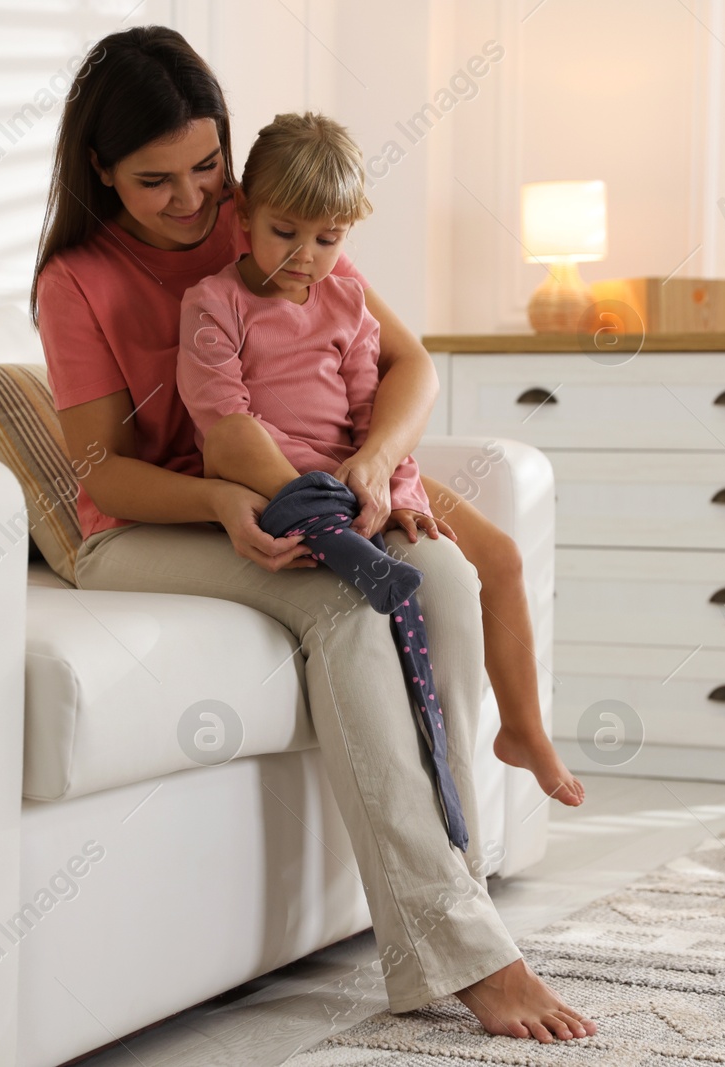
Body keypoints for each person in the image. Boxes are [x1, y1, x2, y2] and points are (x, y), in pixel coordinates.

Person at [31, 26, 594, 1043]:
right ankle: (464, 953)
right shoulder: (76, 280)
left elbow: (406, 363)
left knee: (447, 575)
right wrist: (220, 504)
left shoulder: (267, 221)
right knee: (343, 603)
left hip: (312, 490)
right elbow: (100, 472)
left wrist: (376, 465)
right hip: (146, 525)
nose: (195, 198)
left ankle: (460, 895)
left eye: (208, 165)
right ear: (100, 171)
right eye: (156, 180)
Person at [175, 111, 581, 829]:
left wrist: (394, 487)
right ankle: (365, 559)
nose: (305, 256)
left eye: (328, 239)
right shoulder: (216, 303)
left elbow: (374, 411)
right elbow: (223, 428)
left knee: (502, 557)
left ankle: (524, 729)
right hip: (293, 492)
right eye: (286, 232)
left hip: (363, 478)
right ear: (243, 216)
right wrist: (330, 496)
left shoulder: (346, 301)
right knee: (387, 558)